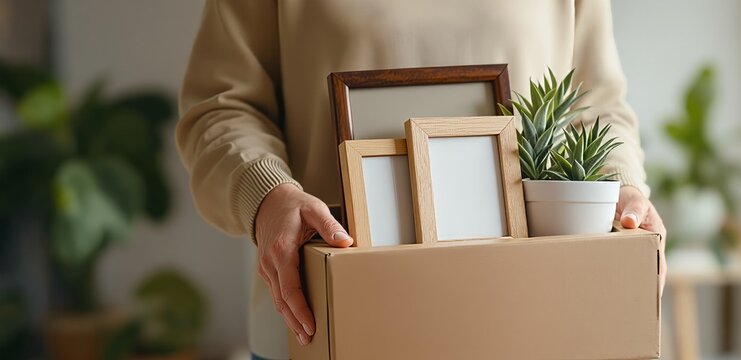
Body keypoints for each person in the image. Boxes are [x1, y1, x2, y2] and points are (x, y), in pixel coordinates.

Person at [176, 0, 667, 358]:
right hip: (327, 323)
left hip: (539, 319)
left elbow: (596, 105)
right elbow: (222, 106)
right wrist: (267, 196)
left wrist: (620, 187)